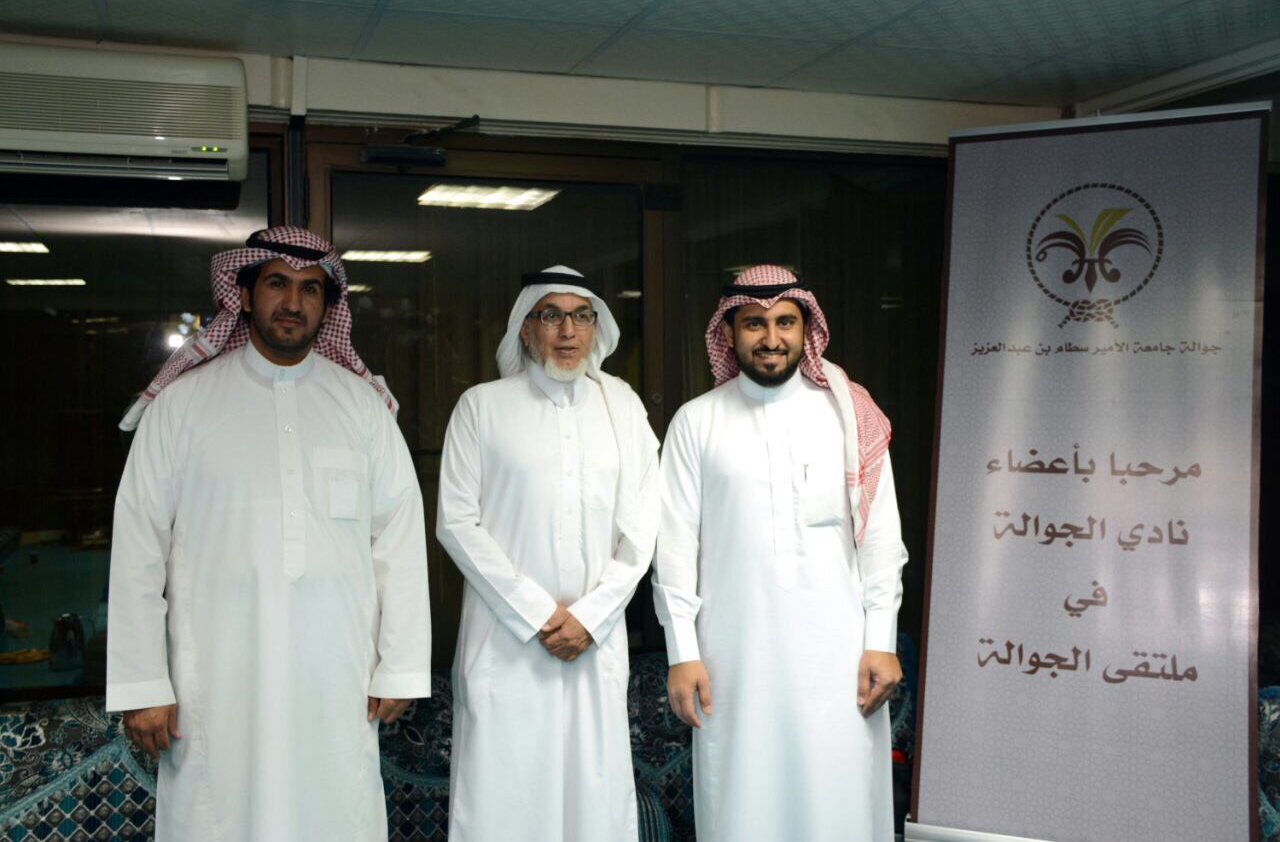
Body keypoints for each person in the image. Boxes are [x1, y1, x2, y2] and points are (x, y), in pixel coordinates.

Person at [107, 226, 431, 842]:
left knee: (334, 807)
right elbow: (138, 547)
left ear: (327, 307)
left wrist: (402, 665)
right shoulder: (182, 405)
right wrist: (142, 682)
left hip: (336, 671)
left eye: (311, 290)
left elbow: (399, 540)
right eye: (278, 283)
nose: (293, 302)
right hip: (215, 673)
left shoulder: (362, 407)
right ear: (245, 293)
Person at [652, 264, 908, 841]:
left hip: (839, 658)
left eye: (785, 323)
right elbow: (673, 548)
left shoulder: (849, 415)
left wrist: (881, 640)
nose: (771, 338)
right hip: (734, 659)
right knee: (745, 803)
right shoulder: (697, 422)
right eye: (754, 324)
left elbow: (882, 539)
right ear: (729, 332)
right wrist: (682, 652)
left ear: (806, 328)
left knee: (837, 801)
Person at [437, 265, 658, 842]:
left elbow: (643, 527)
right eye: (552, 315)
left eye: (581, 316)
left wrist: (590, 616)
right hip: (506, 645)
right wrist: (537, 613)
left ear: (595, 328)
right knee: (504, 801)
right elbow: (456, 523)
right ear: (526, 327)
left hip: (594, 643)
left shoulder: (623, 407)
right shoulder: (481, 407)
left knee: (594, 804)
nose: (567, 330)